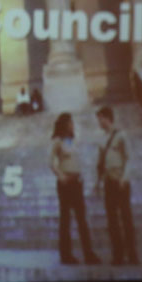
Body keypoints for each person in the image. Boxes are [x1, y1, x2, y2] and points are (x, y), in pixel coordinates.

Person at [49, 113, 101, 265]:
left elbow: (76, 159)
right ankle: (66, 255)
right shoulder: (57, 141)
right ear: (64, 124)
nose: (73, 125)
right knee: (65, 219)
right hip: (65, 183)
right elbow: (50, 162)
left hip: (77, 182)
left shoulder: (72, 141)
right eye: (70, 122)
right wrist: (60, 176)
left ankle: (89, 254)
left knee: (82, 219)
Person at [96, 106, 138, 265]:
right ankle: (118, 254)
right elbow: (99, 163)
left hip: (121, 181)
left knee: (126, 218)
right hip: (109, 182)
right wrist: (97, 183)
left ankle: (132, 254)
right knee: (112, 220)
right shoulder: (101, 139)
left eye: (100, 118)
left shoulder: (121, 136)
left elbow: (128, 158)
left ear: (107, 118)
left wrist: (125, 177)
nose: (99, 122)